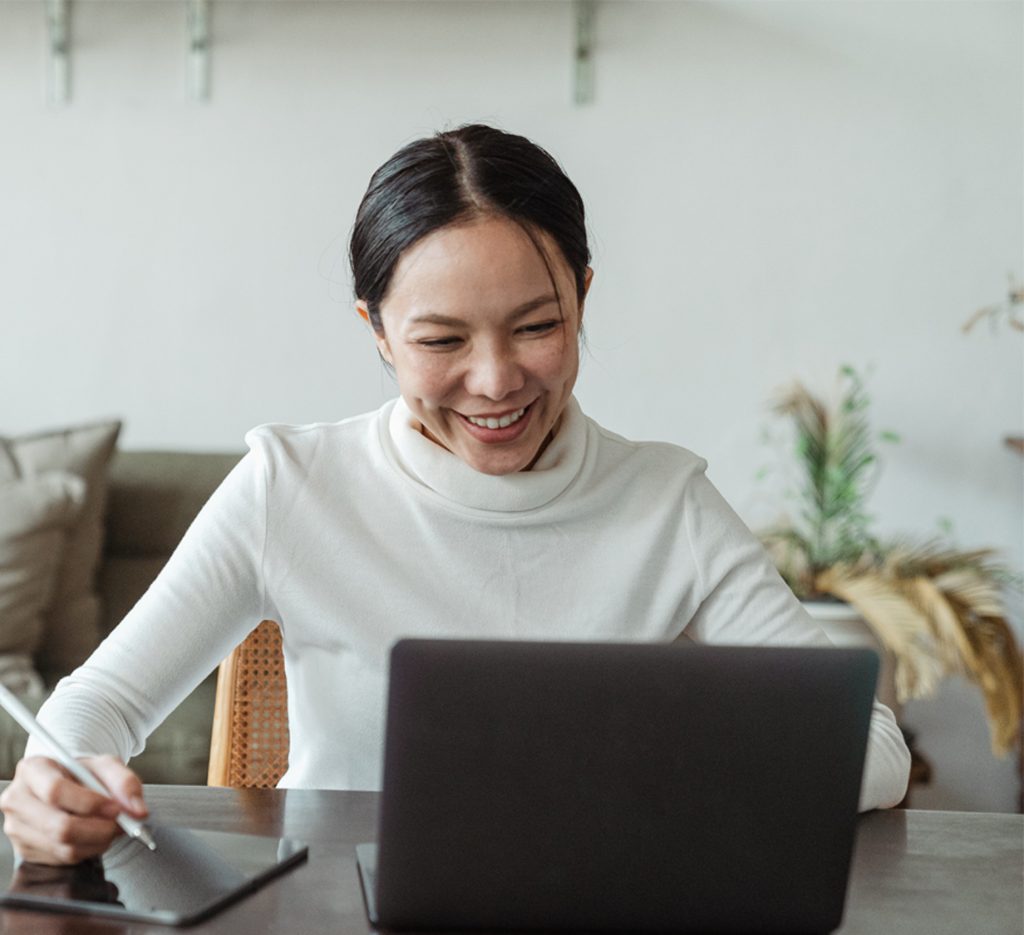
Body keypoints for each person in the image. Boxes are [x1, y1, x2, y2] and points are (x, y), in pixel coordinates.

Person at [0, 125, 911, 865]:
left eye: (539, 325)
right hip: (331, 907)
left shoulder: (666, 501)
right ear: (379, 333)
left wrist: (672, 769)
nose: (495, 380)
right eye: (440, 341)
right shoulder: (292, 485)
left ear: (583, 300)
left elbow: (872, 746)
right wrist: (56, 776)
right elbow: (100, 702)